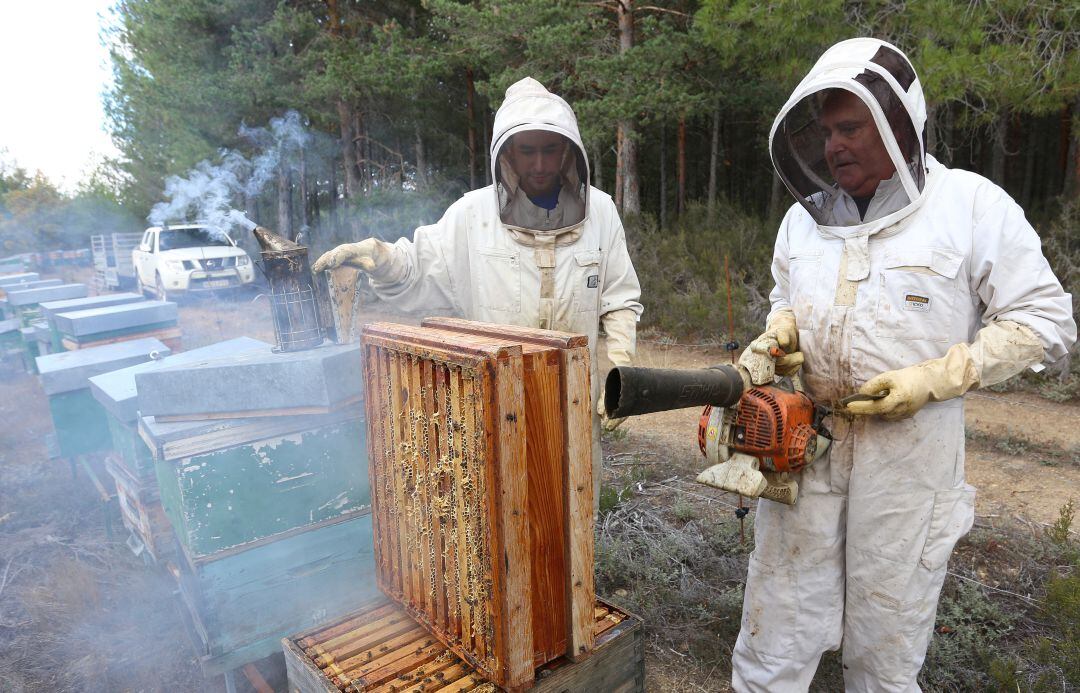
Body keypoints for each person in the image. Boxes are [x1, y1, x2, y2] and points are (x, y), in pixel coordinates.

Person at [733, 38, 1076, 692]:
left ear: (898, 123)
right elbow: (786, 297)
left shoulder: (971, 206)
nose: (833, 145)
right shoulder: (803, 222)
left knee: (883, 657)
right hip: (804, 446)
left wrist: (934, 379)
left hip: (910, 463)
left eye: (850, 127)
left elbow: (1046, 320)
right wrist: (780, 332)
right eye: (826, 131)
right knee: (773, 637)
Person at [313, 77, 643, 502]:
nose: (539, 164)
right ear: (506, 153)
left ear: (568, 151)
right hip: (491, 404)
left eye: (549, 149)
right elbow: (418, 267)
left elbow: (619, 299)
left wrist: (620, 370)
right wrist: (381, 256)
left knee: (571, 514)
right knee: (499, 516)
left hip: (572, 404)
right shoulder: (471, 214)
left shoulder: (601, 211)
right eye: (527, 150)